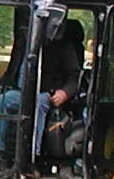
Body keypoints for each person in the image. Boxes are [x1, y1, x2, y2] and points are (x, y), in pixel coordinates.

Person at [34, 19, 86, 164]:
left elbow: (74, 77)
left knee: (38, 102)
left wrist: (64, 92)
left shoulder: (65, 48)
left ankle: (33, 155)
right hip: (25, 92)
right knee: (0, 101)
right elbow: (11, 74)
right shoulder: (29, 46)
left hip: (48, 94)